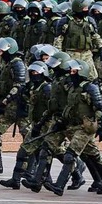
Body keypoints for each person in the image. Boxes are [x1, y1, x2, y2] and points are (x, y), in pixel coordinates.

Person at [21, 52, 86, 193]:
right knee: (46, 149)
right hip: (58, 120)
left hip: (69, 122)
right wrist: (41, 122)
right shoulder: (57, 81)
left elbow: (72, 103)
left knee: (82, 153)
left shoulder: (68, 82)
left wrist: (64, 119)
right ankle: (38, 181)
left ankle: (80, 173)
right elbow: (53, 105)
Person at [44, 60, 102, 196]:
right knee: (94, 155)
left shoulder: (91, 88)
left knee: (70, 155)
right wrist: (62, 121)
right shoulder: (72, 88)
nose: (71, 74)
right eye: (71, 71)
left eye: (74, 71)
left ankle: (59, 185)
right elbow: (69, 108)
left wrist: (101, 127)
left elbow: (99, 109)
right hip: (74, 126)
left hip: (86, 127)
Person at [0, 61, 51, 189]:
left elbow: (52, 109)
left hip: (47, 126)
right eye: (32, 73)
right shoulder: (32, 88)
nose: (34, 75)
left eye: (36, 73)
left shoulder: (47, 88)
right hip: (36, 125)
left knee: (60, 154)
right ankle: (16, 180)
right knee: (24, 151)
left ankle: (77, 174)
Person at [0, 37, 29, 176]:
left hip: (20, 107)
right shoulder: (6, 64)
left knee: (29, 137)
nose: (0, 53)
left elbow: (19, 86)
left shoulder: (17, 64)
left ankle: (27, 166)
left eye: (2, 50)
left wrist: (5, 101)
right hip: (7, 108)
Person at [54, 0, 102, 81]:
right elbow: (58, 40)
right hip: (71, 54)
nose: (87, 10)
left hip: (87, 54)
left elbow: (95, 36)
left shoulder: (89, 21)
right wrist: (60, 56)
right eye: (85, 8)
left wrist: (101, 47)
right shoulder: (66, 21)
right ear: (78, 8)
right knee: (71, 79)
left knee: (92, 78)